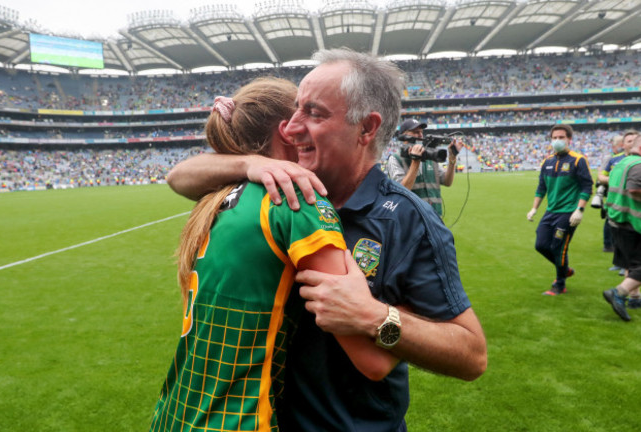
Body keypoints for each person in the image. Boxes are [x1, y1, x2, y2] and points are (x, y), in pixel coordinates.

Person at [167, 48, 487, 431]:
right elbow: (178, 176)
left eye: (313, 113)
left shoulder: (408, 219)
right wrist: (248, 162)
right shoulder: (278, 193)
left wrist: (375, 317)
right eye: (294, 111)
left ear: (366, 129)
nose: (291, 128)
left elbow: (472, 356)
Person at [149, 77, 398, 432]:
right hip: (238, 422)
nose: (309, 128)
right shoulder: (295, 200)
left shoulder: (217, 197)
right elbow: (374, 362)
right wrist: (393, 318)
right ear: (287, 131)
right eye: (306, 115)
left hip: (174, 414)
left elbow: (177, 177)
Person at [526, 124, 593, 296]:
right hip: (551, 212)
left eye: (561, 137)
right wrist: (534, 209)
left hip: (568, 212)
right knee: (540, 245)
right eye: (554, 138)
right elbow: (541, 188)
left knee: (559, 247)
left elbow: (587, 186)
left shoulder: (578, 160)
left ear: (569, 139)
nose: (557, 141)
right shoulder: (547, 162)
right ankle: (564, 269)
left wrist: (579, 210)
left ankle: (560, 283)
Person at [603, 132, 641, 321]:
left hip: (618, 220)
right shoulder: (639, 165)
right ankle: (619, 293)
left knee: (633, 263)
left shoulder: (622, 162)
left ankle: (635, 298)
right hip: (632, 223)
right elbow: (635, 189)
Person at [385, 118, 462, 216]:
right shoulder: (395, 159)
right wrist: (415, 161)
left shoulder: (429, 155)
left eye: (421, 132)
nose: (420, 135)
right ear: (403, 136)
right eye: (415, 132)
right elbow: (401, 192)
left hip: (435, 216)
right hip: (412, 219)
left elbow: (447, 181)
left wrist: (452, 158)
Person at [598, 130, 639, 273]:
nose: (632, 143)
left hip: (635, 202)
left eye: (635, 140)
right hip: (615, 200)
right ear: (624, 145)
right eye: (629, 141)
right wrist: (616, 179)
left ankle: (628, 266)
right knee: (617, 231)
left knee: (631, 233)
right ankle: (620, 263)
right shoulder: (615, 159)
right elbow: (600, 177)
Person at [594, 134, 623, 253]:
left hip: (618, 192)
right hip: (611, 192)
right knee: (610, 217)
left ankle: (614, 243)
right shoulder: (610, 159)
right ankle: (608, 244)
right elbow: (601, 175)